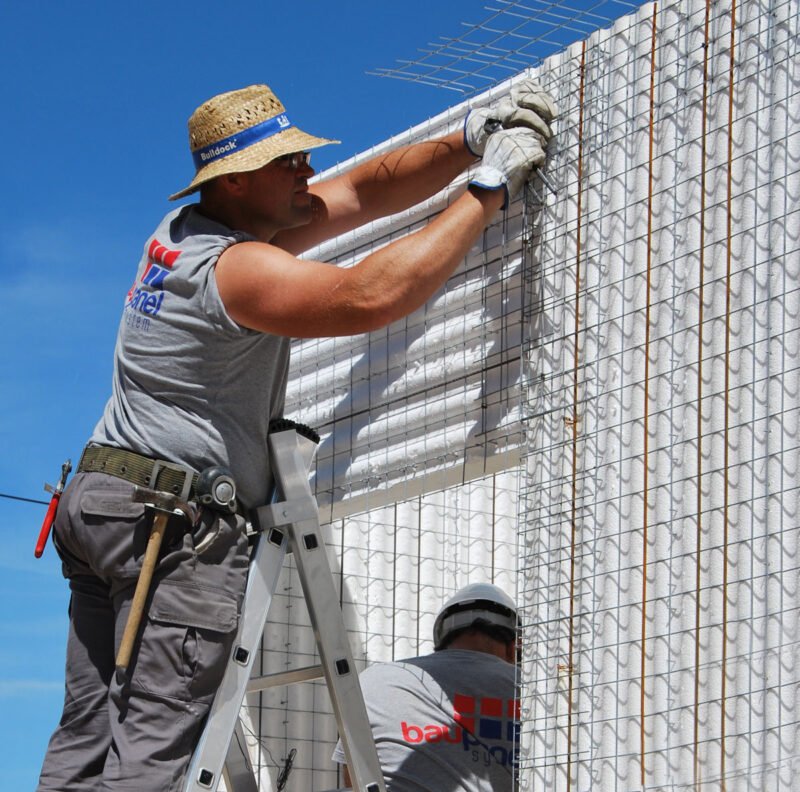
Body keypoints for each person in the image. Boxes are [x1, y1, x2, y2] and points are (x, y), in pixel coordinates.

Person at [36, 80, 555, 791]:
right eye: (289, 162)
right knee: (149, 754)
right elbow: (369, 296)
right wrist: (487, 186)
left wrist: (467, 138)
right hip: (170, 527)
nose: (307, 172)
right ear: (240, 180)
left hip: (103, 506)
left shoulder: (182, 237)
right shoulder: (237, 269)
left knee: (86, 735)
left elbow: (361, 193)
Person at [333, 583, 522, 791]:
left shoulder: (374, 678)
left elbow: (354, 777)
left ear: (442, 640)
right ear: (514, 648)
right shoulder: (528, 689)